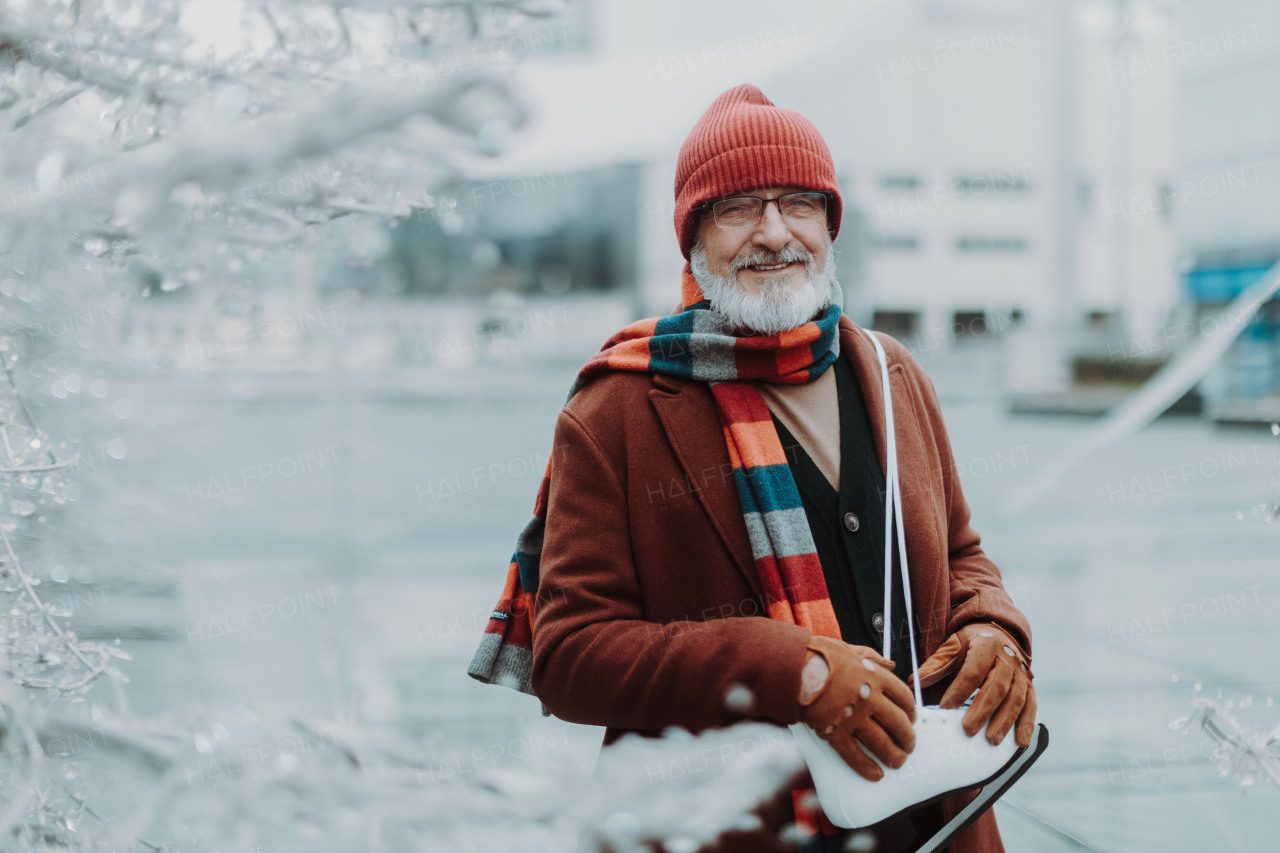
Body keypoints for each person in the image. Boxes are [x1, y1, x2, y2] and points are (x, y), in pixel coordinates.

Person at [469, 83, 1037, 853]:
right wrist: (785, 668)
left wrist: (995, 629)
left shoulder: (892, 371)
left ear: (830, 225)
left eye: (799, 202)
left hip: (935, 813)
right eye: (739, 208)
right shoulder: (617, 410)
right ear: (694, 238)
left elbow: (963, 555)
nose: (775, 232)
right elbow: (570, 656)